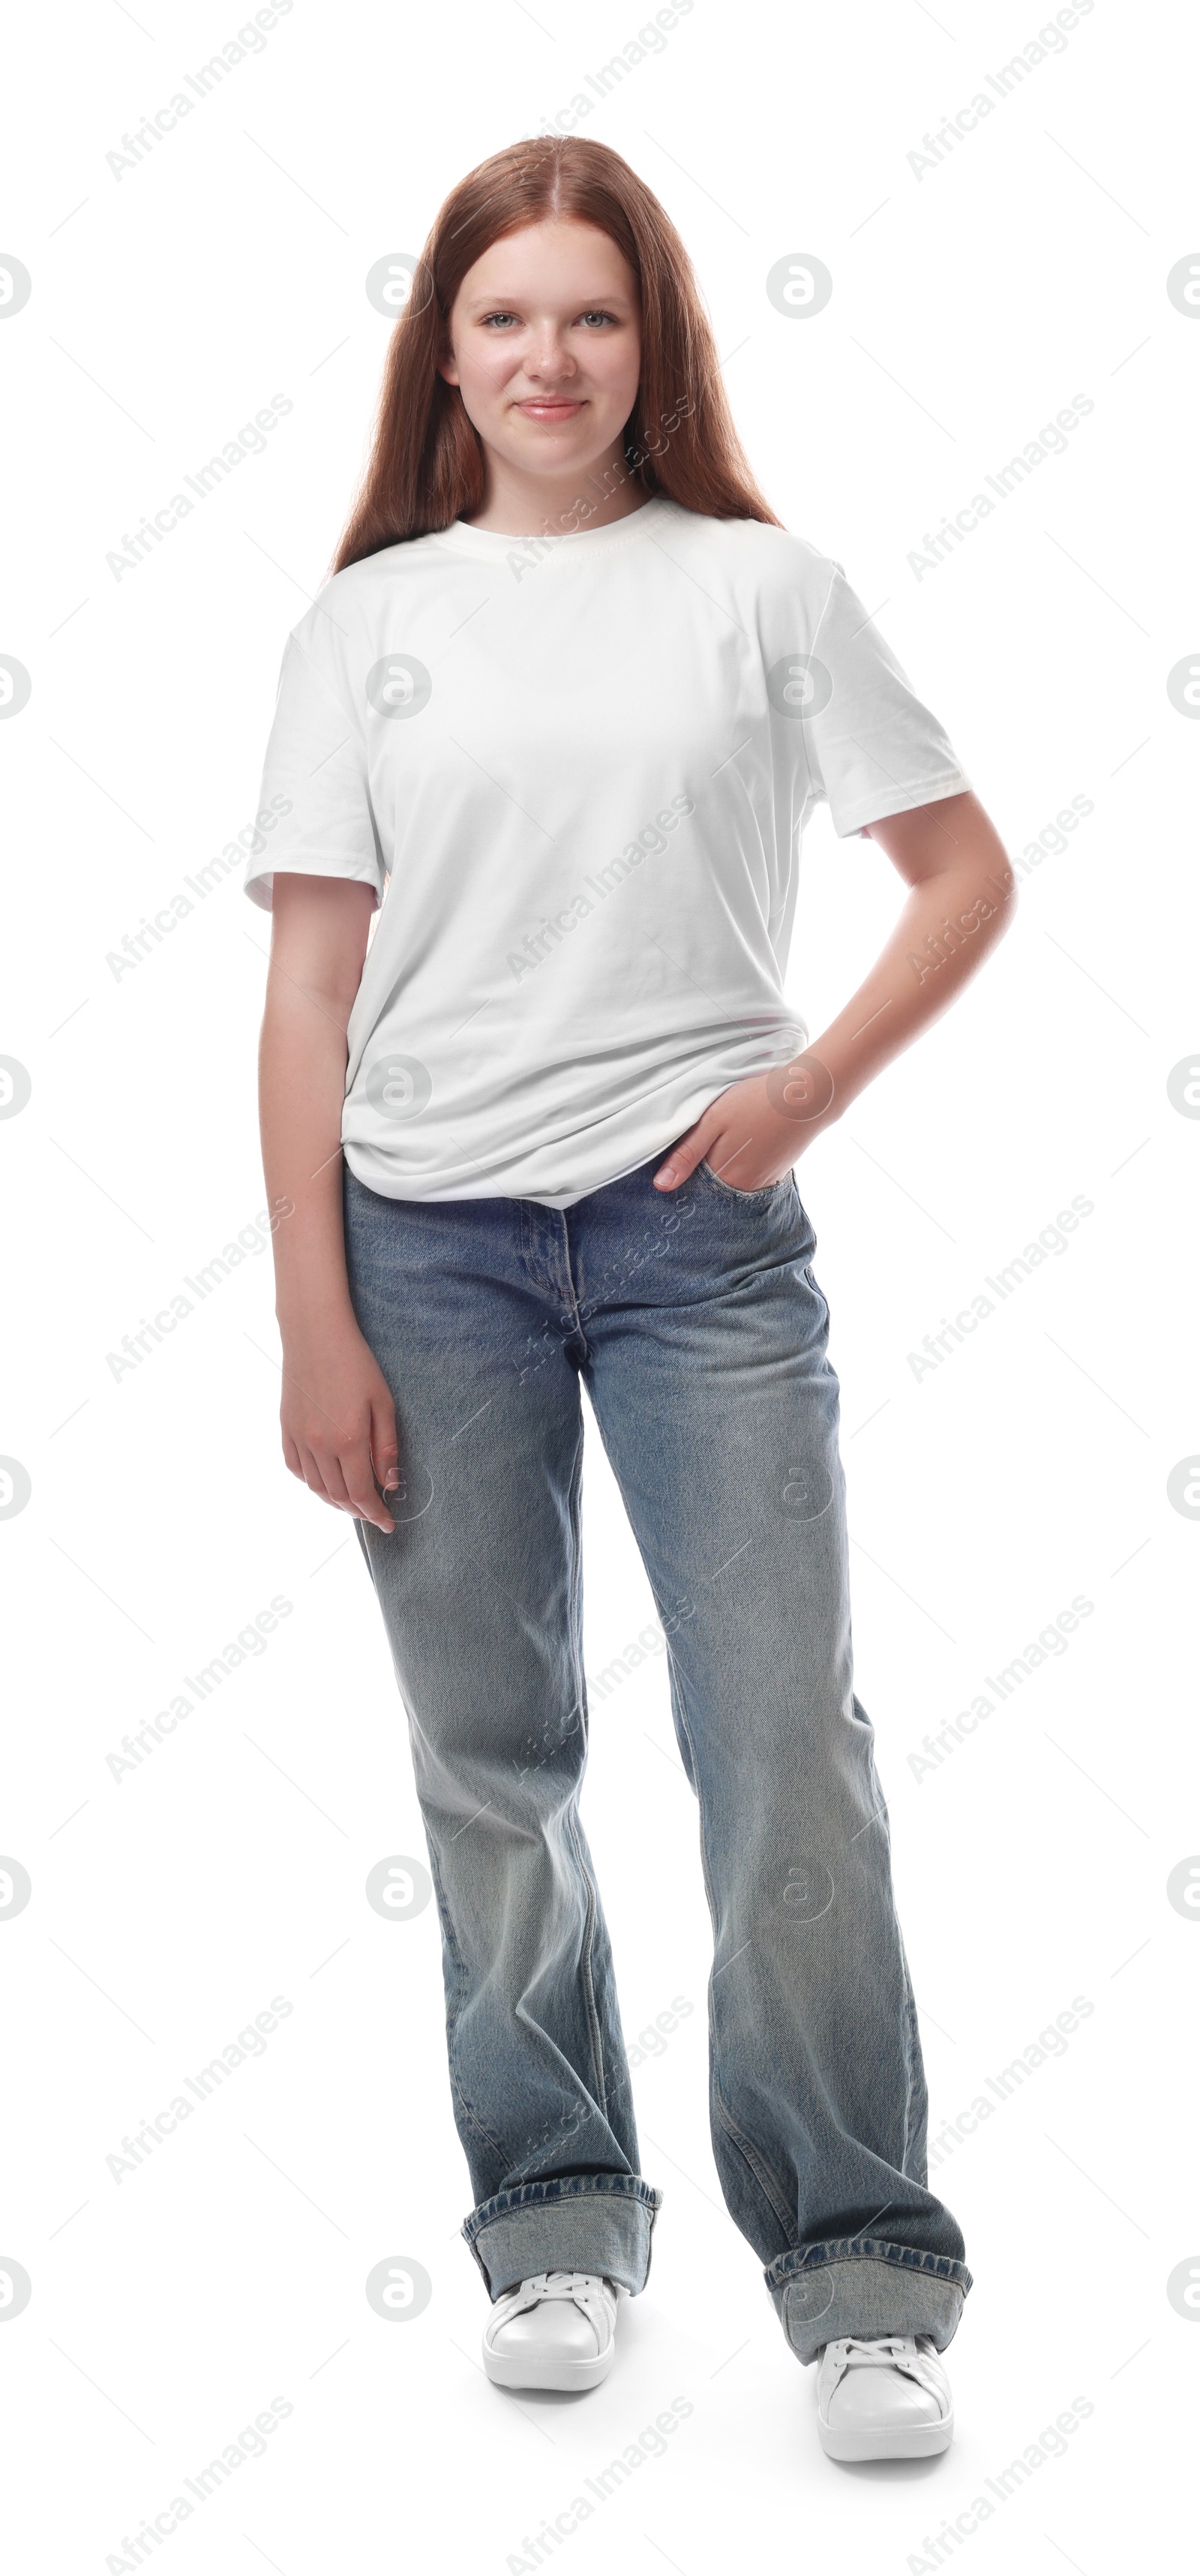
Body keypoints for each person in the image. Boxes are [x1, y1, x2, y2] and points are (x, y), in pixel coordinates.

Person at [249, 135, 1013, 2464]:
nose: (549, 358)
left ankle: (864, 2268)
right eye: (505, 318)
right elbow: (306, 994)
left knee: (787, 1740)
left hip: (698, 1240)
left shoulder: (762, 589)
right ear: (446, 350)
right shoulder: (368, 620)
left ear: (650, 339)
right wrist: (315, 1318)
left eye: (592, 315)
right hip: (428, 1252)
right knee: (493, 1764)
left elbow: (961, 868)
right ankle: (560, 2219)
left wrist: (806, 1091)